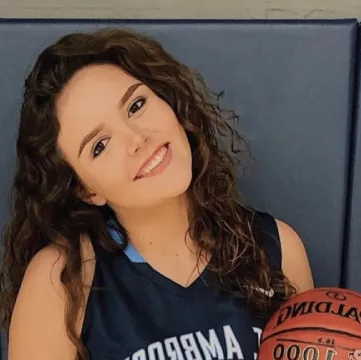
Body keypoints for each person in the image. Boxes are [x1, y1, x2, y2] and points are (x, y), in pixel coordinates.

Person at [0, 28, 314, 360]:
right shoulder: (63, 281)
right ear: (85, 189)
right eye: (100, 146)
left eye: (136, 105)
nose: (137, 138)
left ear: (170, 103)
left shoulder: (277, 249)